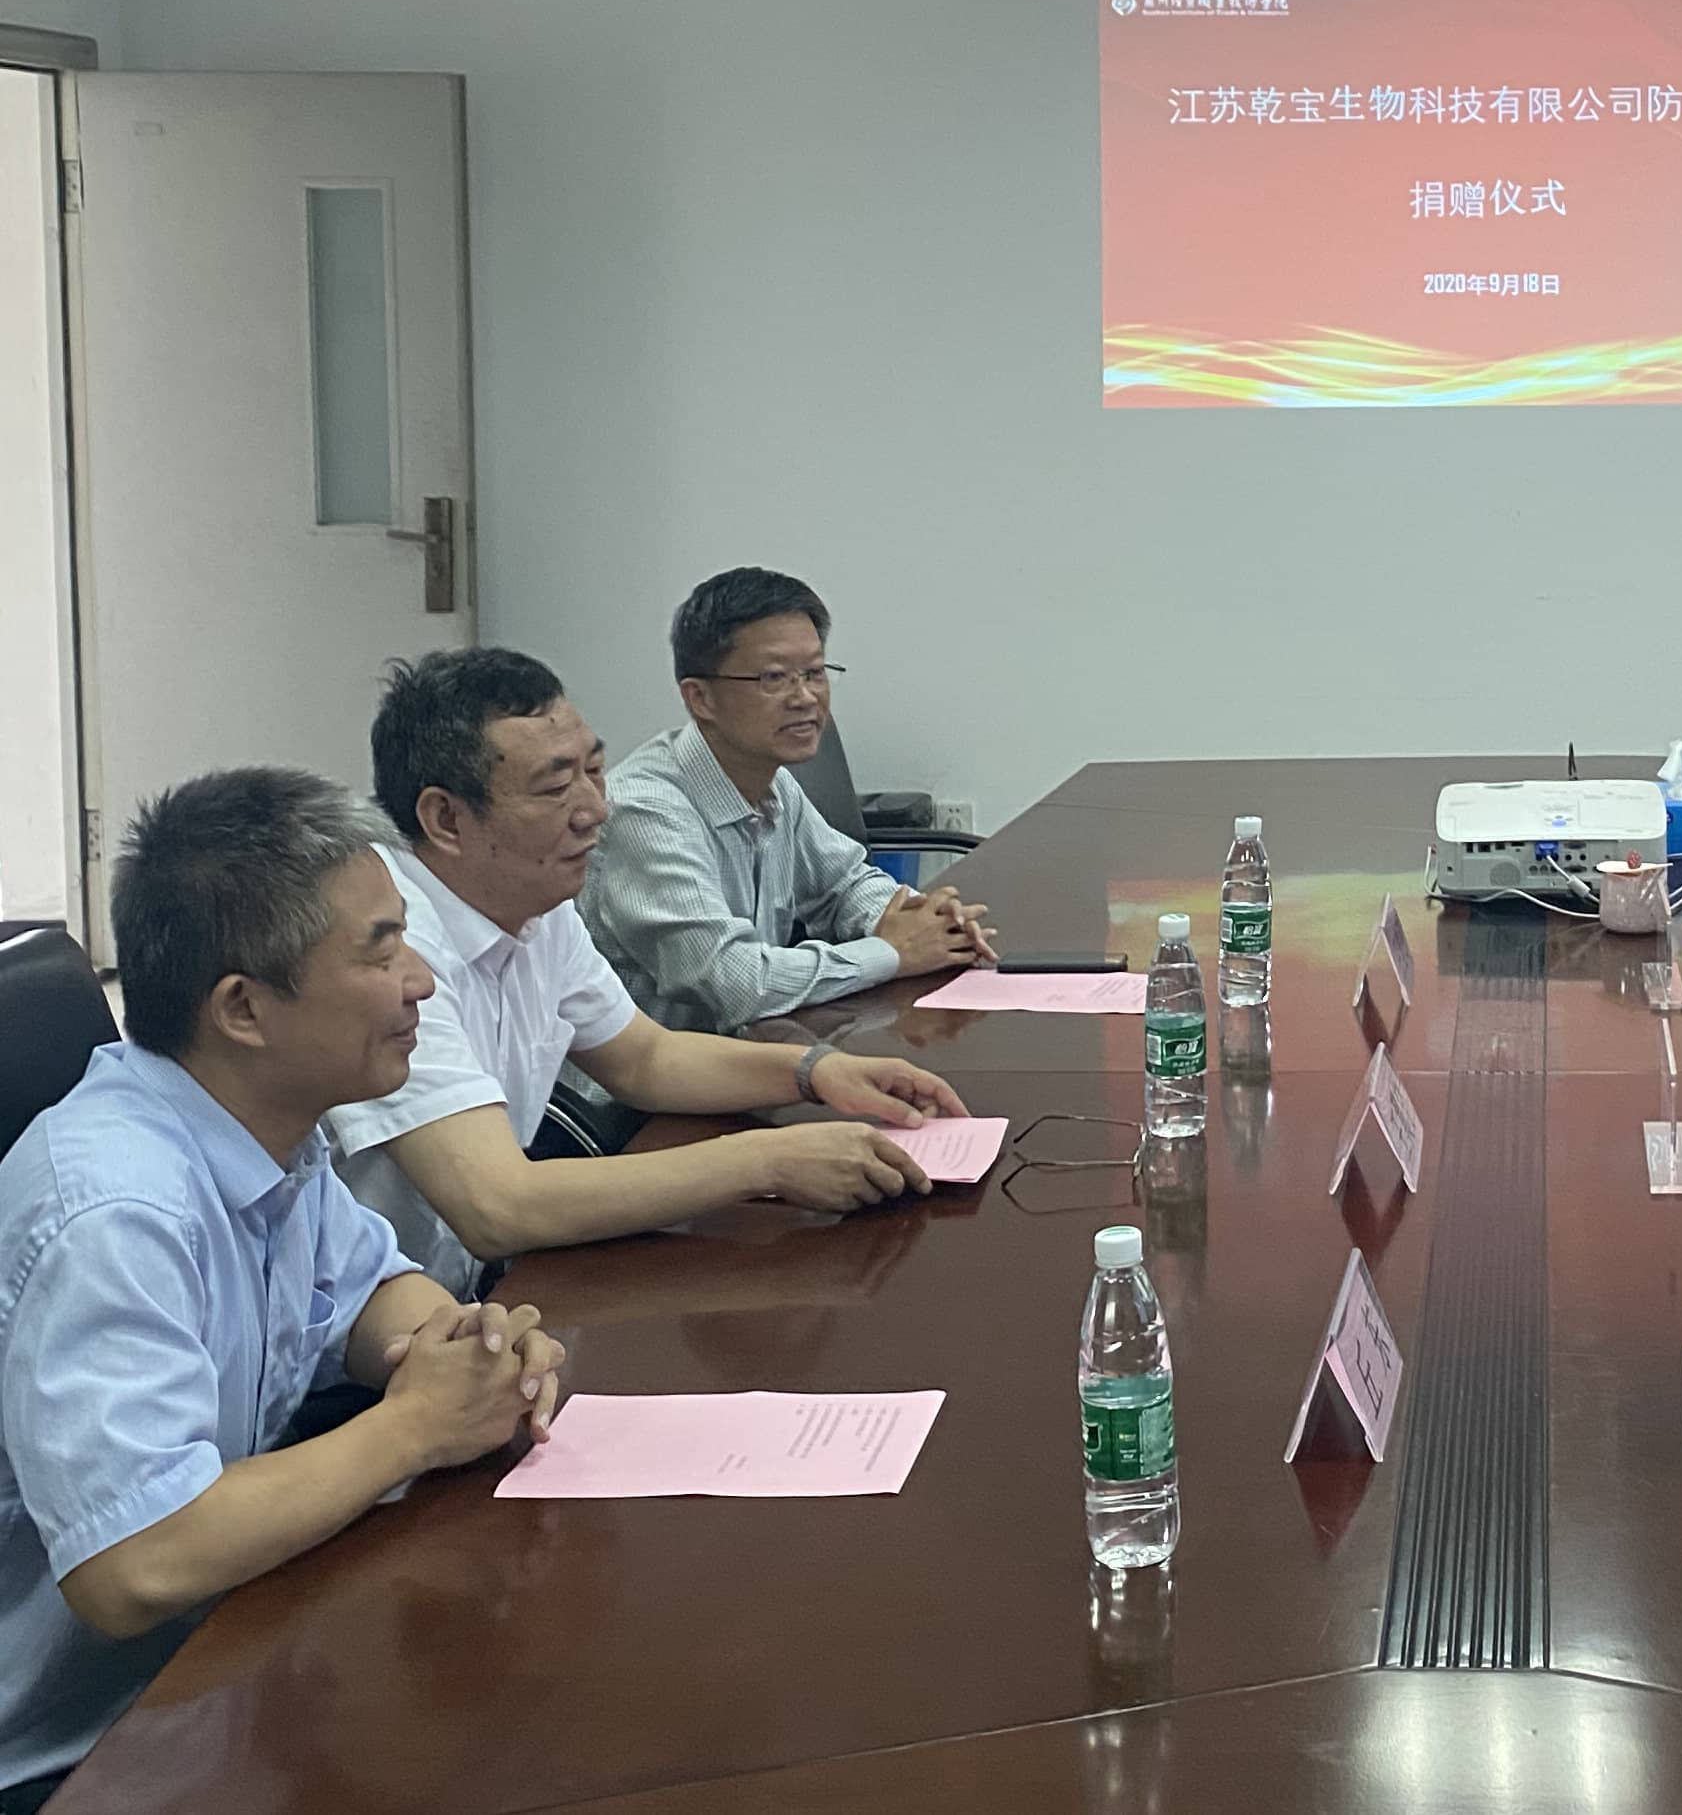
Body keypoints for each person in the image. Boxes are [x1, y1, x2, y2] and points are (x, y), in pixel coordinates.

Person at [0, 770, 564, 1814]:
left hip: (214, 1672)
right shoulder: (115, 1208)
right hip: (67, 1754)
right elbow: (134, 1562)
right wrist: (416, 1426)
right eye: (379, 952)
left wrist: (468, 1346)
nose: (421, 981)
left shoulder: (262, 1133)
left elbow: (367, 1289)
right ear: (243, 1008)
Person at [326, 647, 962, 1297]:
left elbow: (643, 1058)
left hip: (464, 1295)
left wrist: (816, 1072)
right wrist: (768, 1160)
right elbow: (498, 1206)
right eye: (555, 787)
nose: (595, 810)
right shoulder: (390, 946)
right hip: (362, 1323)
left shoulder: (532, 896)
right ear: (445, 818)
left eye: (593, 771)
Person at [582, 567, 992, 1036]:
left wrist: (923, 920)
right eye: (774, 678)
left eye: (815, 673)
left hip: (752, 1054)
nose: (805, 698)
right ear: (701, 698)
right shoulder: (645, 811)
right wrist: (893, 952)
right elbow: (733, 983)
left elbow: (843, 885)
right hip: (659, 1079)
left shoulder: (773, 781)